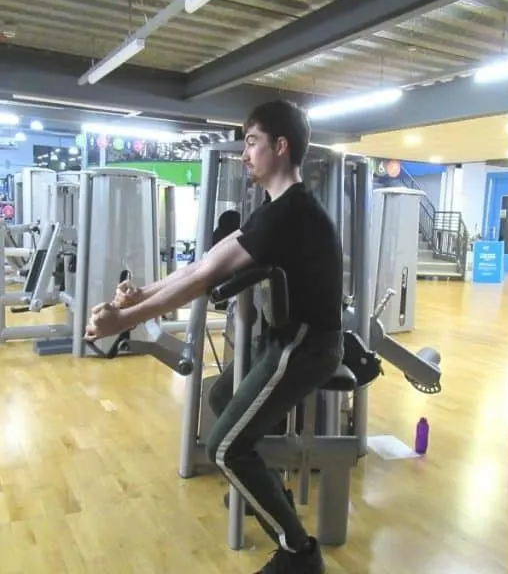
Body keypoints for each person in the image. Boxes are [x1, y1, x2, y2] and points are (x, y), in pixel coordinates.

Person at [85, 99, 344, 574]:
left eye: (251, 142)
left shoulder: (290, 214)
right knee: (224, 396)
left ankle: (299, 553)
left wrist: (125, 321)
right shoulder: (273, 209)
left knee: (224, 446)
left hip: (307, 347)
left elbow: (205, 278)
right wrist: (142, 295)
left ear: (280, 147)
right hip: (284, 341)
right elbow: (203, 264)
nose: (244, 153)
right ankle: (268, 490)